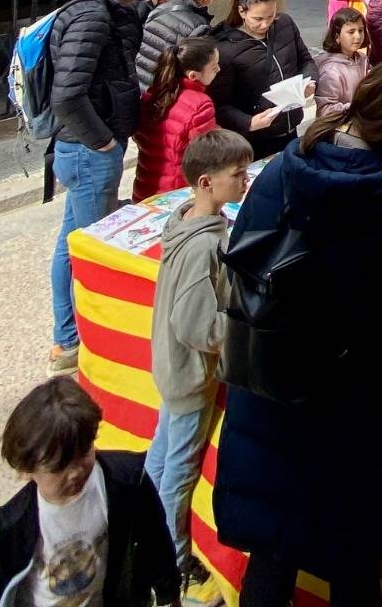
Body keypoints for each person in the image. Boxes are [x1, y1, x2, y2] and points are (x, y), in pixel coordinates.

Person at [213, 59, 382, 607]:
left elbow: (243, 263)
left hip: (273, 384)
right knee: (352, 555)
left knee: (272, 551)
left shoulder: (283, 168)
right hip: (351, 406)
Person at [47, 0, 165, 374]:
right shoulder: (92, 18)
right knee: (92, 248)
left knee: (71, 242)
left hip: (88, 150)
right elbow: (67, 96)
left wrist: (150, 3)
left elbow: (123, 44)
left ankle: (67, 338)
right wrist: (103, 143)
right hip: (87, 151)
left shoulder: (110, 9)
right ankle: (80, 340)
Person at [146, 129, 252, 579]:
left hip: (171, 367)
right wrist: (242, 326)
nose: (245, 181)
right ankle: (171, 558)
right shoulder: (205, 245)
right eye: (237, 174)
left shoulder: (188, 219)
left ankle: (144, 524)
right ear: (206, 183)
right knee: (180, 469)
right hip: (190, 375)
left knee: (162, 453)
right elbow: (195, 325)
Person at [0, 377, 180, 607]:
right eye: (59, 466)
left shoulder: (127, 482)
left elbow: (154, 541)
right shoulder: (12, 525)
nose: (76, 472)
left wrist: (169, 595)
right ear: (26, 470)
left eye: (84, 452)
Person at [210, 0, 317, 161]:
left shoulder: (285, 24)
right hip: (255, 139)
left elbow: (306, 61)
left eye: (271, 16)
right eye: (258, 19)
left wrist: (310, 81)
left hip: (290, 128)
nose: (265, 24)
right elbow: (220, 104)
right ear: (242, 12)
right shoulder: (226, 49)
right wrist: (249, 122)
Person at [133, 38, 219, 201]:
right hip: (178, 192)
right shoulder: (200, 104)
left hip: (145, 185)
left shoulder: (150, 96)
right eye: (214, 68)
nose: (219, 70)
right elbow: (205, 154)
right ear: (193, 75)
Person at [135, 0, 222, 90]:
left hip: (142, 84)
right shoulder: (198, 26)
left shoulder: (160, 8)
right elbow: (197, 71)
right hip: (164, 92)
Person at [314, 7, 370, 117]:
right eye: (351, 32)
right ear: (337, 37)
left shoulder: (362, 59)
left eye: (360, 30)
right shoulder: (331, 71)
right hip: (337, 129)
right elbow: (325, 109)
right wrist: (357, 108)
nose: (357, 36)